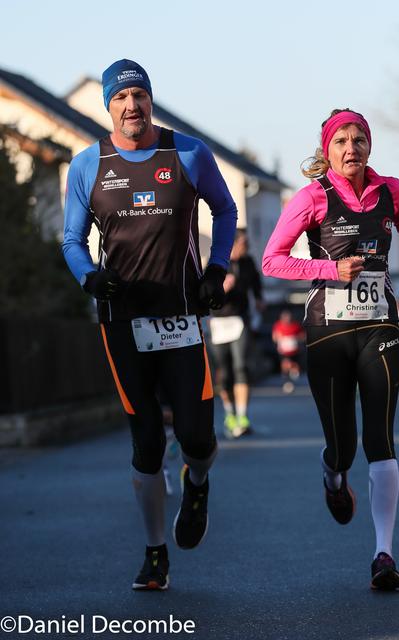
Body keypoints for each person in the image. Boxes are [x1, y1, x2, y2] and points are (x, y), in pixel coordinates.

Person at [62, 59, 237, 591]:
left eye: (139, 94)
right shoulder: (88, 165)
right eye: (120, 97)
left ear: (150, 100)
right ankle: (155, 553)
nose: (131, 105)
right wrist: (90, 278)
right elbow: (72, 240)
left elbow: (225, 210)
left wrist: (217, 269)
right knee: (146, 444)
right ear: (108, 106)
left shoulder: (188, 153)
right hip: (122, 322)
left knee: (197, 437)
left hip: (181, 315)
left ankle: (198, 483)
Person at [262, 108, 399, 590]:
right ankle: (333, 475)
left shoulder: (390, 190)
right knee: (344, 446)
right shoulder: (313, 197)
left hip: (380, 326)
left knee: (381, 439)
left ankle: (383, 554)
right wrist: (329, 270)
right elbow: (273, 260)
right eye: (341, 141)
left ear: (370, 145)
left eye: (359, 140)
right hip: (328, 331)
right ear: (327, 150)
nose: (351, 148)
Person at [208, 229, 264, 438]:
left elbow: (256, 283)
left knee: (241, 367)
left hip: (240, 319)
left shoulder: (247, 262)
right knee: (224, 371)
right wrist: (221, 289)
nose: (246, 247)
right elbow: (204, 293)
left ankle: (242, 416)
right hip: (219, 322)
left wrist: (259, 298)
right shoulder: (216, 263)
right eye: (243, 243)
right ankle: (229, 414)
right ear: (232, 244)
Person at [272, 308, 305, 393]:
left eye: (288, 317)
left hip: (294, 350)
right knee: (285, 364)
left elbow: (303, 336)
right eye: (285, 317)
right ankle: (286, 381)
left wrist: (296, 339)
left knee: (294, 366)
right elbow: (274, 337)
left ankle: (293, 373)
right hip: (283, 351)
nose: (287, 319)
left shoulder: (296, 325)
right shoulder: (278, 325)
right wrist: (279, 338)